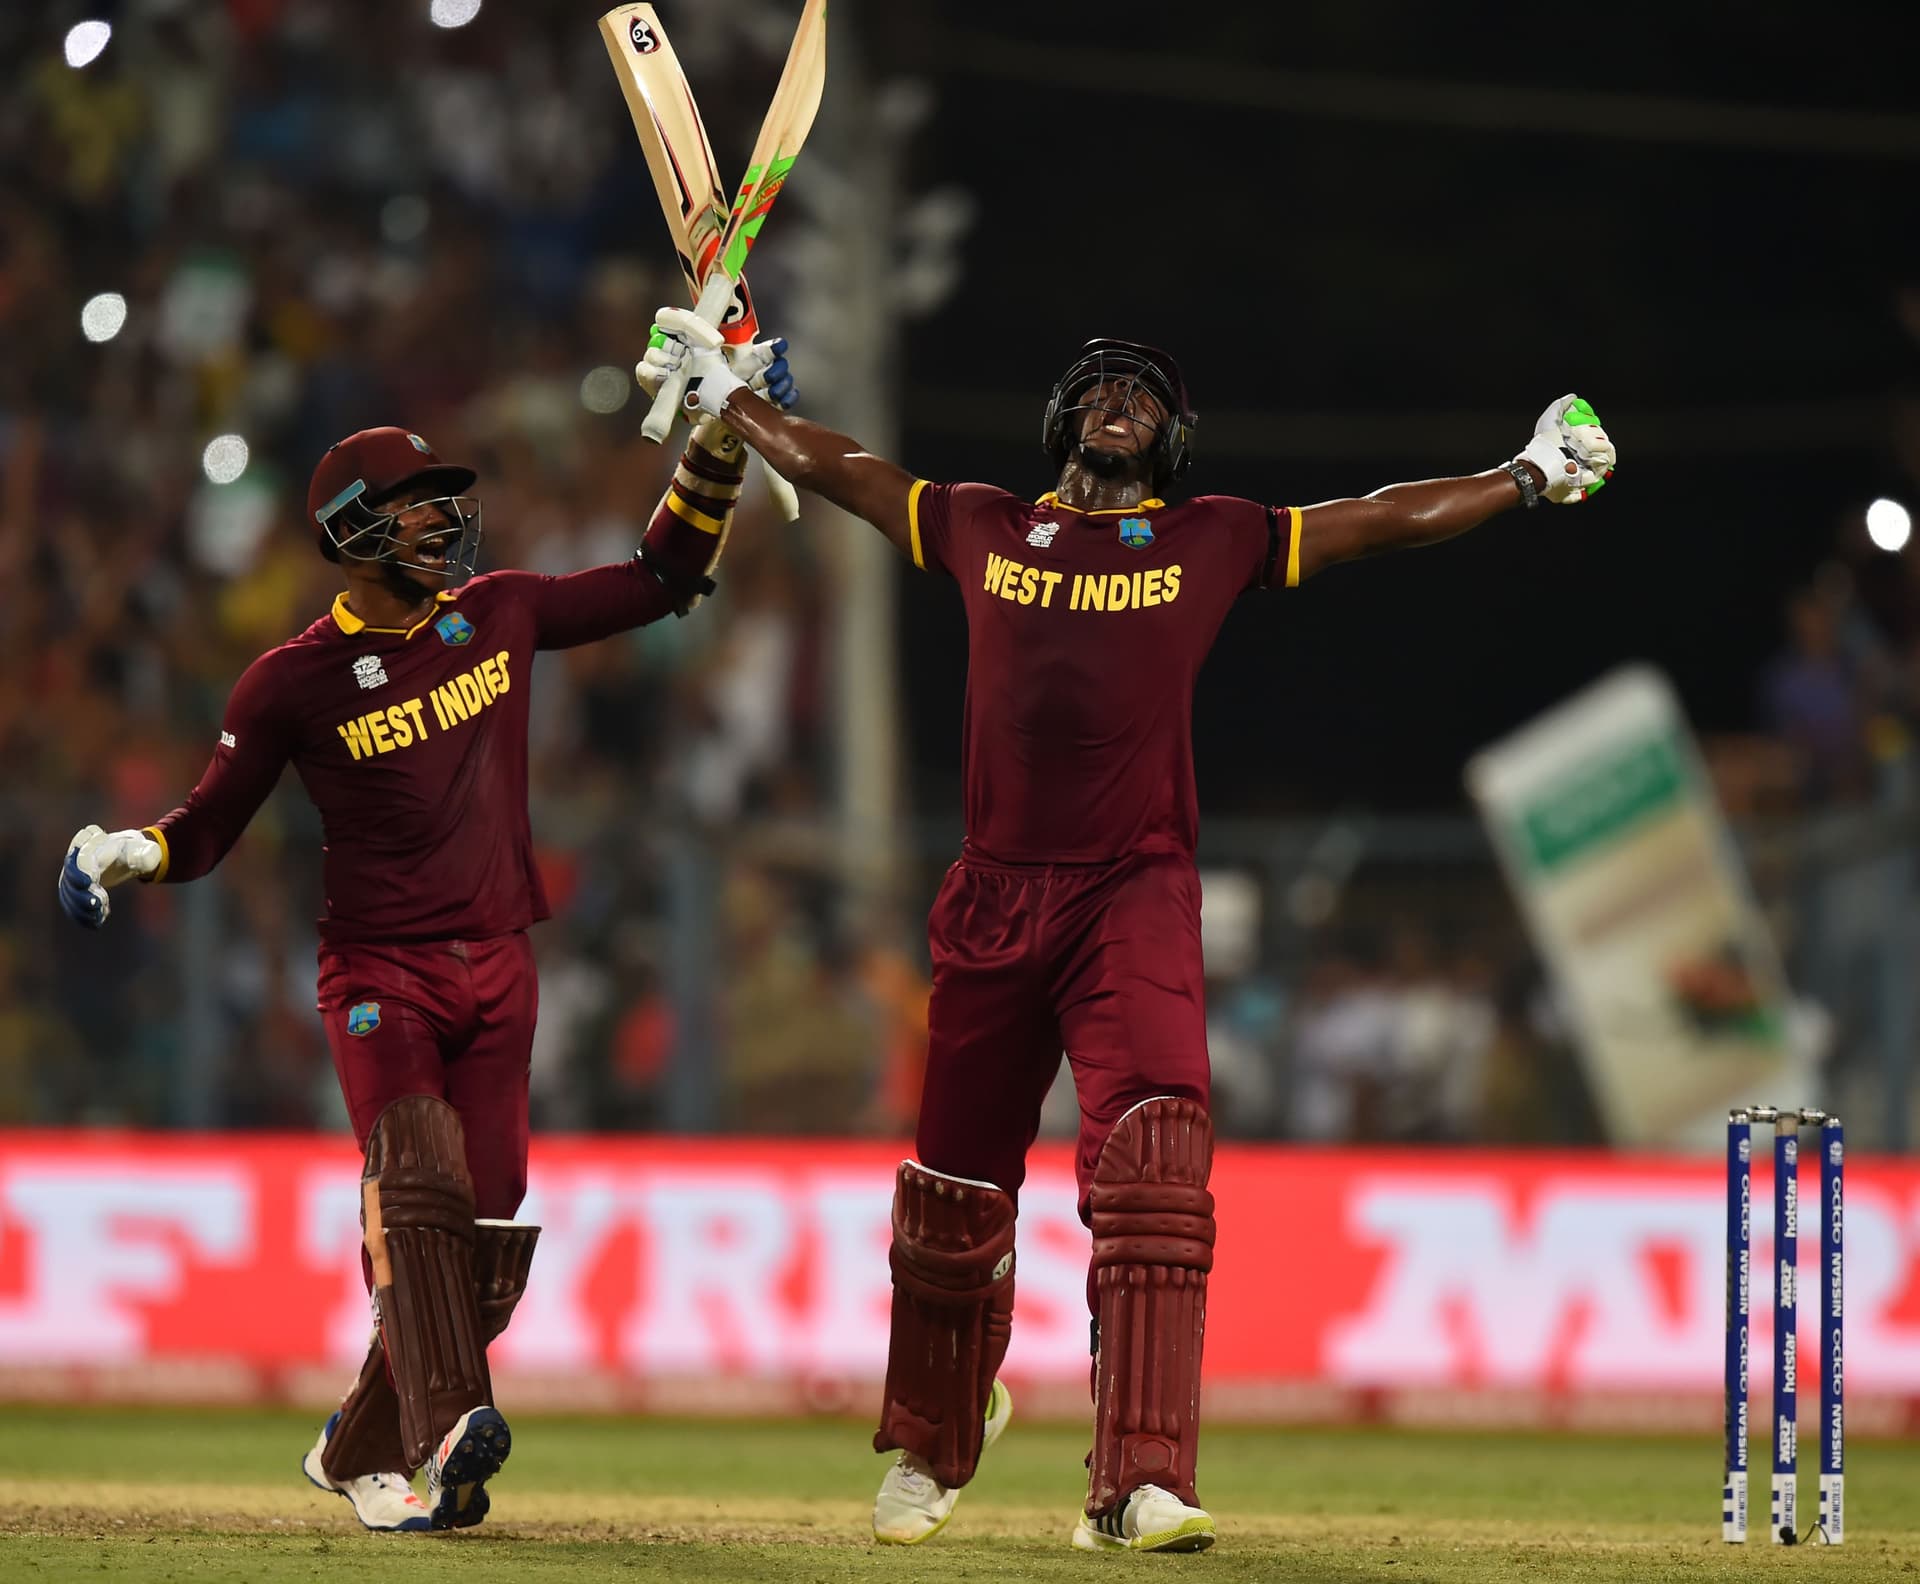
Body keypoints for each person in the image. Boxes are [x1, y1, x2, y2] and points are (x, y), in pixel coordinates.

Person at [640, 317, 1615, 1553]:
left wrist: (1523, 475)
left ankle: (1139, 1478)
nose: (1120, 402)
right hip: (994, 895)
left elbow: (1378, 516)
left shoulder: (1211, 538)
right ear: (1062, 421)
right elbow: (844, 470)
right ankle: (941, 1434)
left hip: (1133, 893)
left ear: (1177, 442)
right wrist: (741, 405)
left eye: (1146, 398)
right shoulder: (985, 522)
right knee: (951, 1200)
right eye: (1100, 388)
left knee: (1154, 1170)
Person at [57, 339, 794, 1533]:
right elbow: (206, 826)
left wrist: (717, 448)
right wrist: (130, 849)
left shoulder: (497, 614)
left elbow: (658, 579)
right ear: (349, 531)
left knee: (487, 1228)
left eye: (440, 503)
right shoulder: (288, 683)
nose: (441, 523)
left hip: (502, 962)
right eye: (408, 510)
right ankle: (453, 1424)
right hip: (378, 971)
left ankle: (359, 1447)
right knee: (420, 1185)